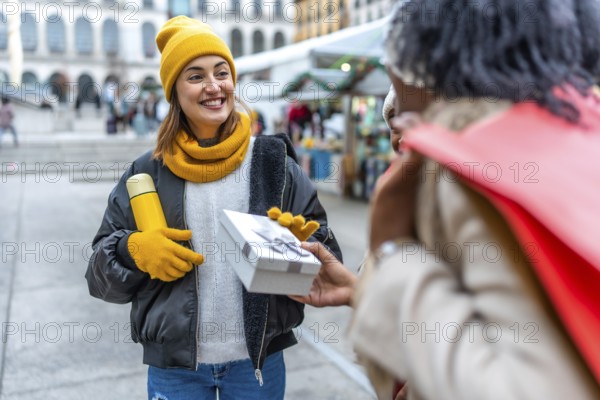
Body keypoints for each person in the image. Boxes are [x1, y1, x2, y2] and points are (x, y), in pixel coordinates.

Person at [293, 1, 600, 399]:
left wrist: (392, 257)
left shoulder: (466, 172)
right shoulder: (567, 134)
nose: (397, 137)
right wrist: (360, 288)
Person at [85, 16, 342, 400]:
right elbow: (98, 275)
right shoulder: (146, 172)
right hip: (176, 370)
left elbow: (327, 257)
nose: (213, 86)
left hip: (257, 363)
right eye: (195, 76)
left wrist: (301, 248)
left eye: (221, 72)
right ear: (174, 90)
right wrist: (132, 250)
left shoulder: (273, 162)